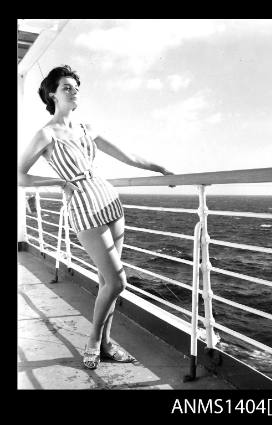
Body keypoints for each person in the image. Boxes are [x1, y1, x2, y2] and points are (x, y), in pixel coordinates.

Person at [18, 65, 174, 370]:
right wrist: (57, 183)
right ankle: (92, 340)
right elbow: (19, 175)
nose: (74, 91)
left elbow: (127, 155)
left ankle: (105, 344)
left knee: (107, 281)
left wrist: (160, 168)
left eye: (76, 87)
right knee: (117, 281)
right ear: (52, 94)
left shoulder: (88, 128)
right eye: (66, 87)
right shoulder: (46, 133)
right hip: (82, 206)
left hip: (109, 201)